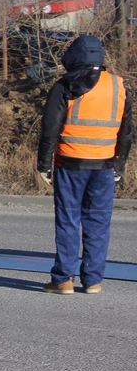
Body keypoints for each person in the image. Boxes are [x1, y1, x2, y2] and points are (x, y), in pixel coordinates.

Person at [37, 35, 132, 295]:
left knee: (68, 220)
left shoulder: (64, 85)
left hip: (70, 162)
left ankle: (63, 279)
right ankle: (93, 280)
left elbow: (50, 129)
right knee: (98, 222)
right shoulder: (118, 86)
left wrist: (43, 163)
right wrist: (120, 165)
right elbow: (126, 132)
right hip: (104, 165)